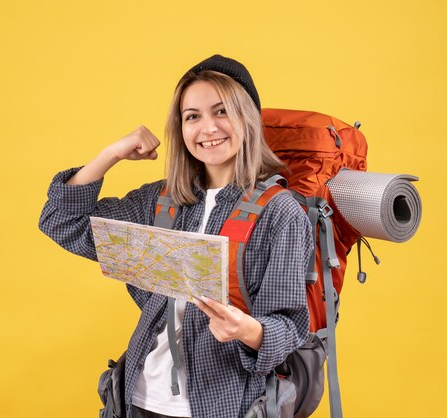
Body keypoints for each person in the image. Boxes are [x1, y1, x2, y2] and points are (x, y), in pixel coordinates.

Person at [39, 55, 312, 418]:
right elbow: (61, 220)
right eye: (192, 116)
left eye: (221, 111)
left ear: (247, 118)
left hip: (220, 404)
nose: (208, 128)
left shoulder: (281, 213)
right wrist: (111, 154)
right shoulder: (162, 200)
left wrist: (248, 329)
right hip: (135, 398)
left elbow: (289, 329)